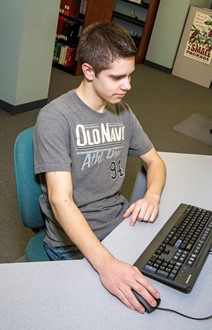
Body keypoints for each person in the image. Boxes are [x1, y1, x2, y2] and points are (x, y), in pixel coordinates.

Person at [33, 22, 166, 313]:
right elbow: (60, 199)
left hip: (118, 225)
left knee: (165, 281)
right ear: (89, 71)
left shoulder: (122, 111)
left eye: (130, 75)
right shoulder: (55, 118)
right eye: (118, 77)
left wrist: (152, 196)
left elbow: (155, 161)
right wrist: (107, 265)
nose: (128, 85)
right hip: (73, 243)